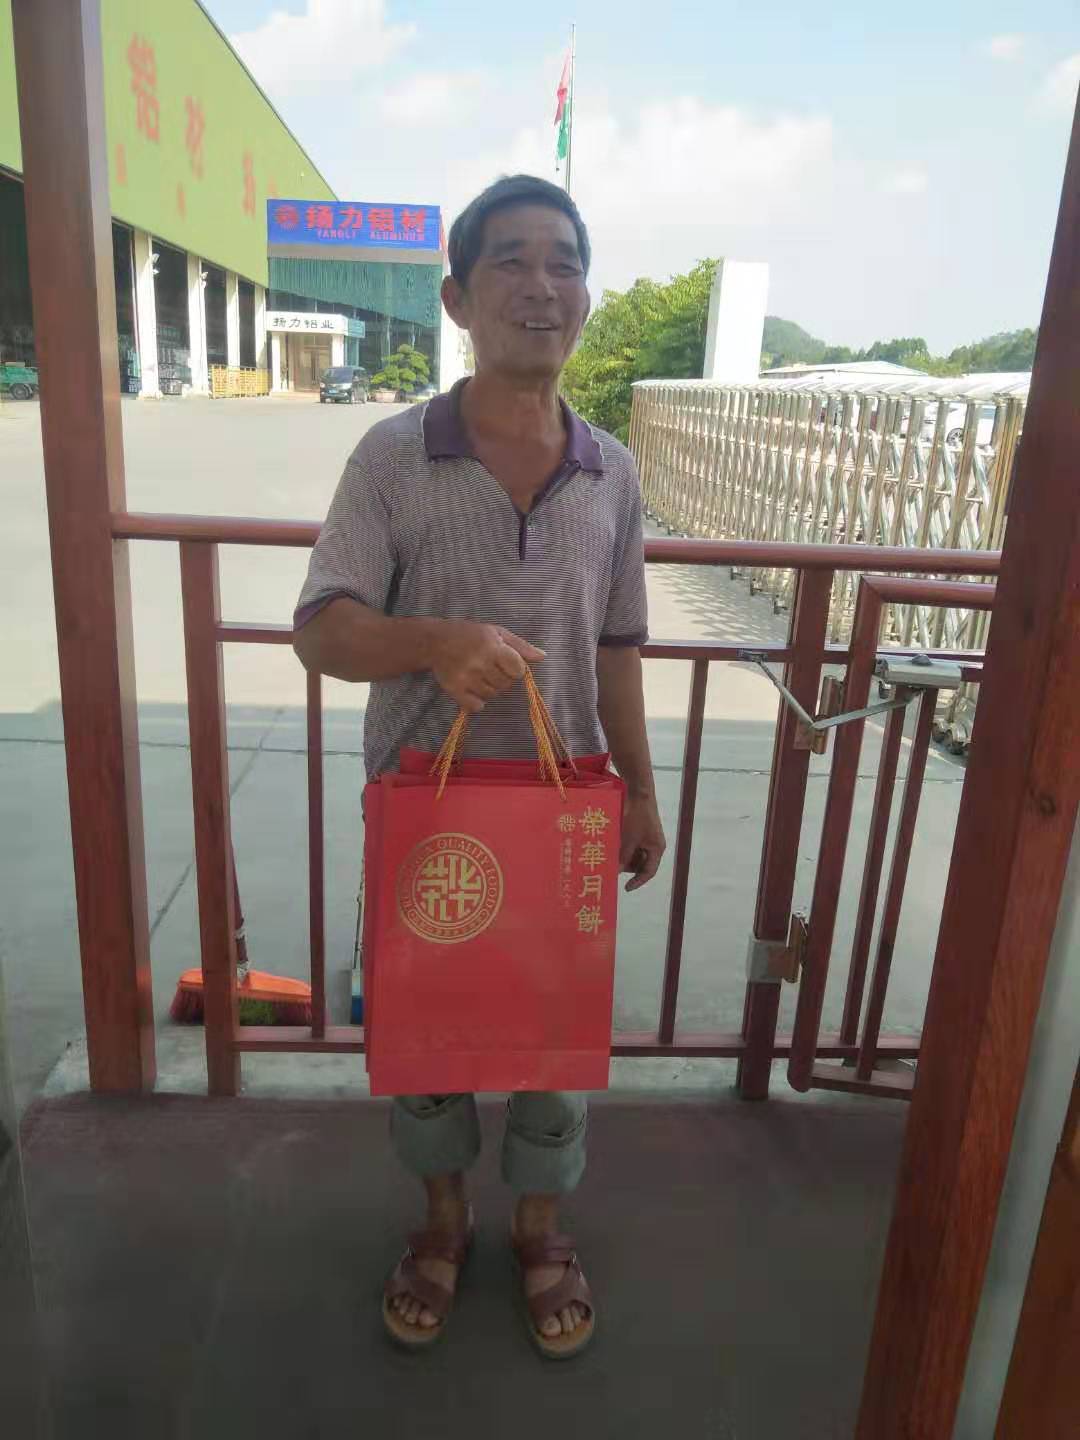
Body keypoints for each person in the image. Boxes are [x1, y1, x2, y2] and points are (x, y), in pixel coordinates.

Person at [293, 174, 666, 1359]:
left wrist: (641, 789)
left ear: (586, 296)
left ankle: (541, 1229)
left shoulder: (612, 471)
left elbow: (617, 648)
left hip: (563, 815)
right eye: (511, 261)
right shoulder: (394, 456)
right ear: (457, 298)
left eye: (564, 262)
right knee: (431, 1041)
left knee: (555, 1039)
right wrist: (433, 643)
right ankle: (443, 1221)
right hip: (432, 815)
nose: (541, 286)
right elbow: (321, 630)